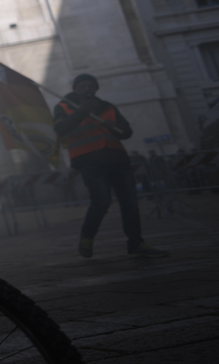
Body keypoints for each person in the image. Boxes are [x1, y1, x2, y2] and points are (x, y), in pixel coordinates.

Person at [53, 74, 167, 258]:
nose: (87, 89)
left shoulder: (107, 107)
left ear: (96, 89)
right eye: (82, 86)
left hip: (117, 158)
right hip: (89, 160)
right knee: (101, 201)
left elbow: (127, 132)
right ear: (75, 89)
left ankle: (136, 243)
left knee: (129, 202)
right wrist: (81, 112)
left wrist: (113, 126)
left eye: (91, 86)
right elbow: (61, 129)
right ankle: (87, 238)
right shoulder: (63, 107)